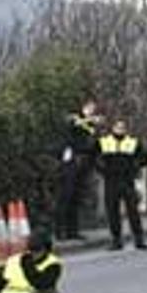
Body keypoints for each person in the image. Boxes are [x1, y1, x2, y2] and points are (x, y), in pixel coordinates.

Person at [96, 119, 147, 251]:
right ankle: (116, 240)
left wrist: (134, 168)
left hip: (127, 180)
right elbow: (93, 157)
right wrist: (102, 170)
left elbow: (146, 158)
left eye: (123, 128)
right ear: (113, 128)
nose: (120, 130)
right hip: (111, 181)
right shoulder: (104, 142)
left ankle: (139, 239)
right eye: (118, 127)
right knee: (112, 212)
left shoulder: (132, 142)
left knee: (133, 211)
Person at [55, 100, 102, 241]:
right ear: (83, 107)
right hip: (72, 162)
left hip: (84, 162)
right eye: (89, 107)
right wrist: (90, 119)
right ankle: (59, 232)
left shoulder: (91, 124)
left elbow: (92, 142)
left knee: (76, 197)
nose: (92, 110)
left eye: (94, 108)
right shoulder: (76, 118)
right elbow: (72, 124)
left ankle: (73, 231)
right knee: (66, 196)